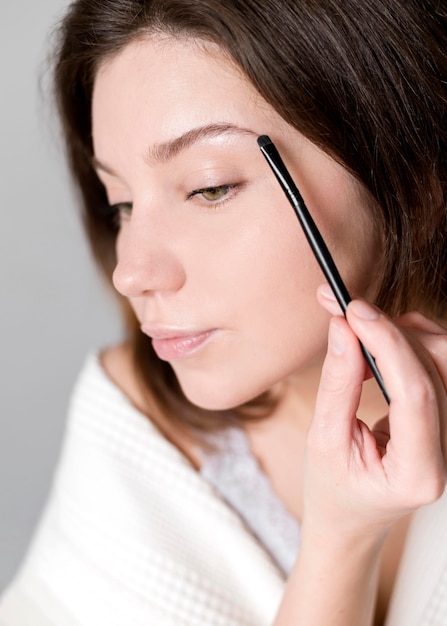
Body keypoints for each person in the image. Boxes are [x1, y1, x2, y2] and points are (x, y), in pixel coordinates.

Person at [1, 0, 446, 624]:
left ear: (417, 174)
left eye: (209, 187)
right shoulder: (134, 435)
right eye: (121, 202)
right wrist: (339, 541)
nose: (131, 271)